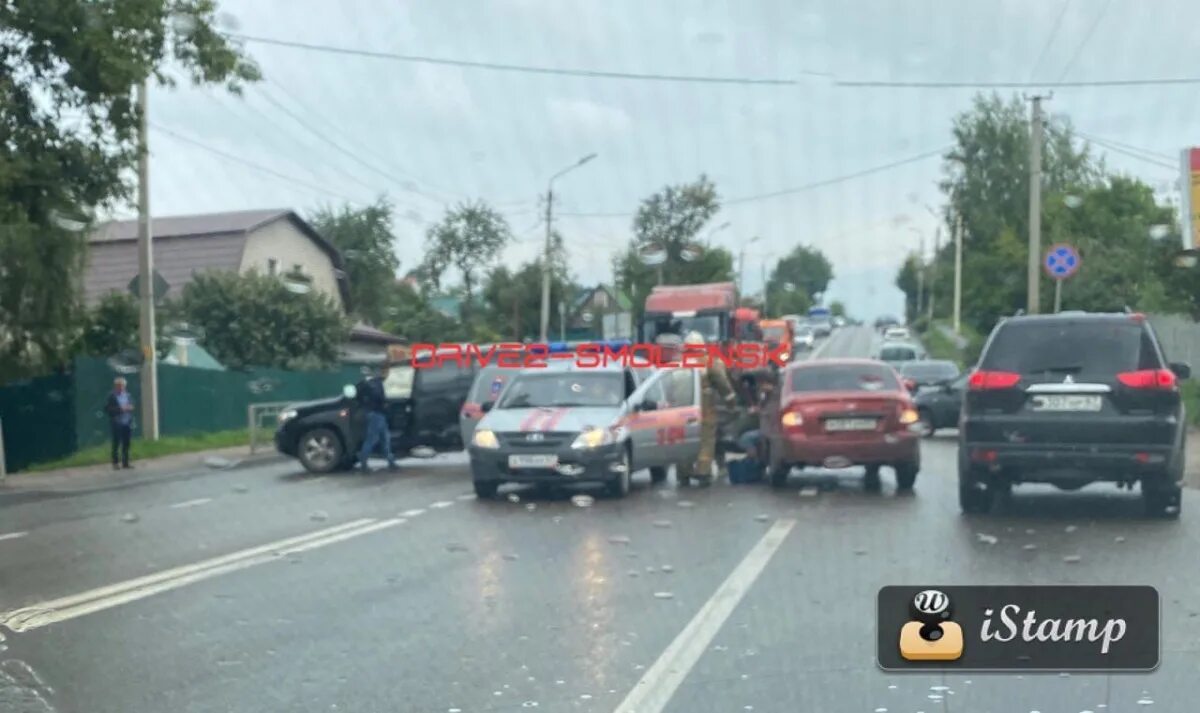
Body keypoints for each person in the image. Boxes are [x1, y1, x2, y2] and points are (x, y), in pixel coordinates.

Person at [683, 330, 736, 485]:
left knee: (685, 438)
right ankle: (703, 472)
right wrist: (731, 402)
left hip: (682, 407)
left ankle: (683, 472)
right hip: (704, 405)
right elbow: (722, 383)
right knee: (706, 439)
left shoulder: (679, 361)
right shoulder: (709, 361)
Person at [356, 363, 398, 472]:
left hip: (374, 414)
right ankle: (364, 462)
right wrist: (385, 405)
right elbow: (380, 398)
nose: (387, 374)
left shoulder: (365, 384)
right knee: (373, 439)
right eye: (386, 372)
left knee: (384, 439)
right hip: (377, 414)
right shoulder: (377, 384)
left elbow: (359, 398)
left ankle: (391, 461)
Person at [104, 377, 135, 470]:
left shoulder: (128, 395)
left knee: (126, 443)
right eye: (119, 385)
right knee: (116, 443)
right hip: (117, 422)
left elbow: (132, 404)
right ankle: (115, 463)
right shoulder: (112, 396)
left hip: (127, 421)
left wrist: (130, 407)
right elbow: (107, 409)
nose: (121, 387)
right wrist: (120, 409)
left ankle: (126, 462)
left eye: (122, 385)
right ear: (116, 386)